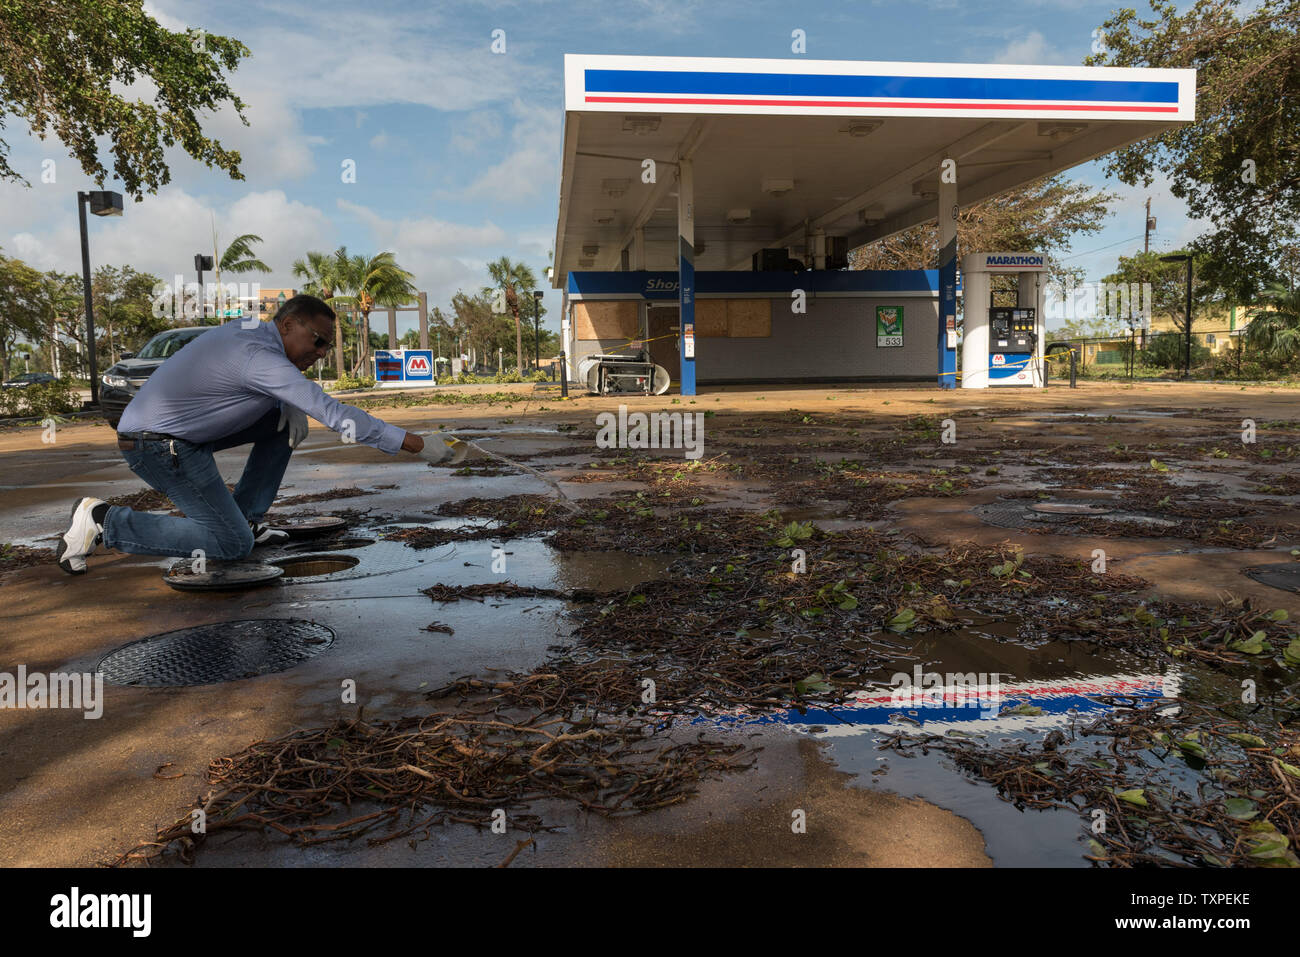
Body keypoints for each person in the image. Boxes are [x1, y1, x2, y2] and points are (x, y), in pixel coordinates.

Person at [56, 294, 464, 574]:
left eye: (326, 346)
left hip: (179, 435)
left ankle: (247, 518)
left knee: (281, 421)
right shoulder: (262, 359)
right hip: (157, 446)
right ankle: (102, 520)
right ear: (288, 325)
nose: (321, 352)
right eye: (317, 341)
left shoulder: (253, 331)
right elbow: (335, 414)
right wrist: (415, 444)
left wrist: (285, 403)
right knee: (231, 546)